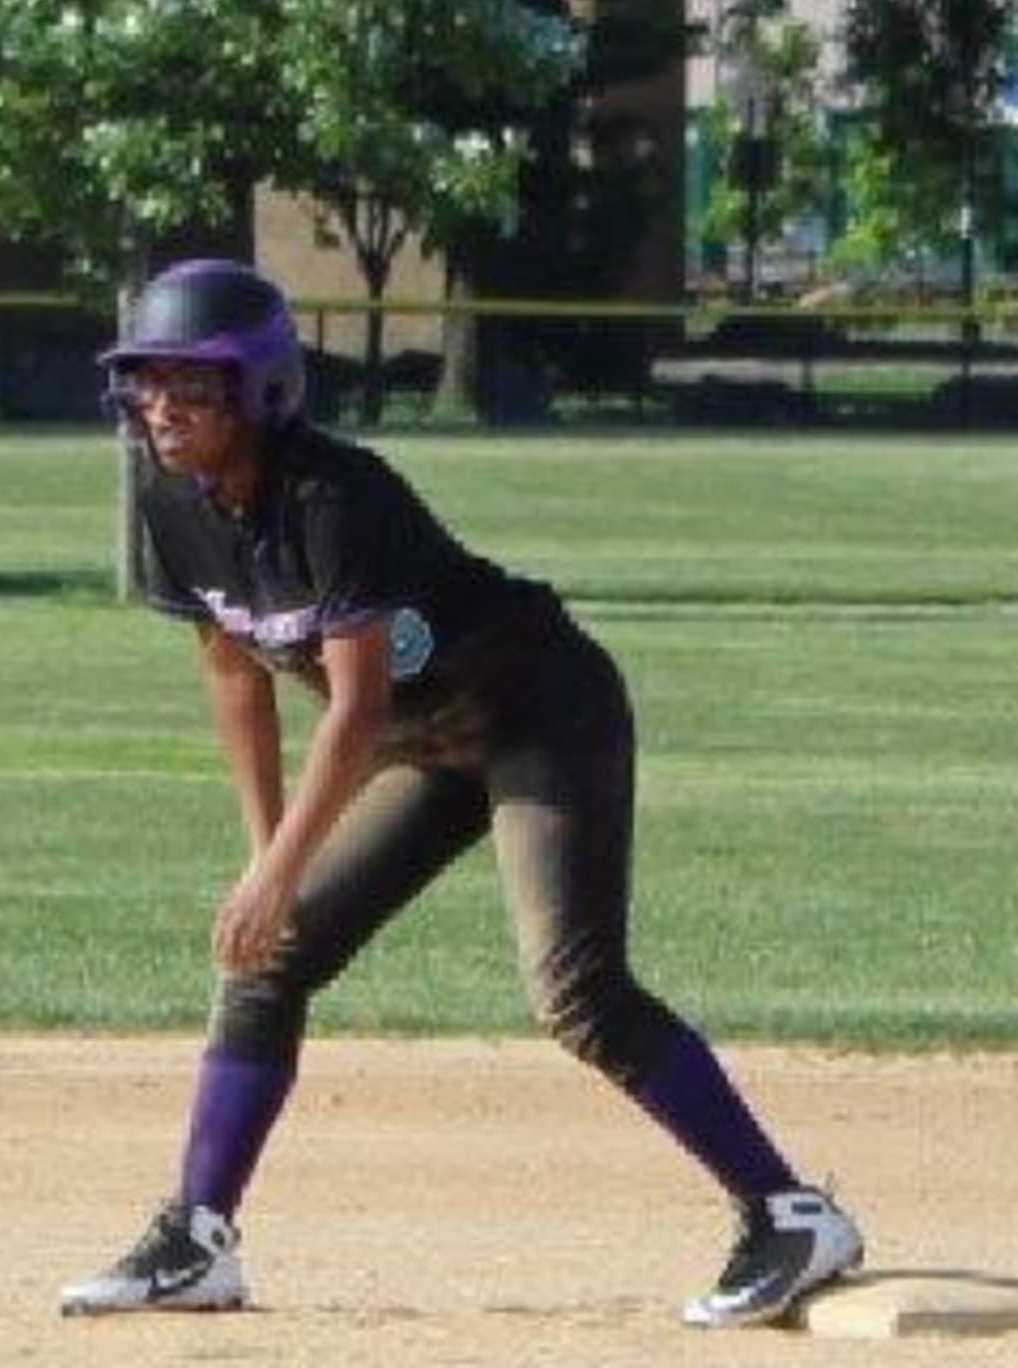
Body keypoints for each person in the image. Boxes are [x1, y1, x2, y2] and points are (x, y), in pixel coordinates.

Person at [58, 260, 862, 1329]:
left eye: (192, 382)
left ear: (261, 389)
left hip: (540, 712)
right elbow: (233, 675)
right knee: (270, 959)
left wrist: (283, 872)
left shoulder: (336, 498)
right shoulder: (173, 507)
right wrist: (267, 859)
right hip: (430, 745)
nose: (161, 405)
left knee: (575, 991)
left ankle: (789, 1214)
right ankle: (197, 1240)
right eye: (147, 380)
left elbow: (353, 712)